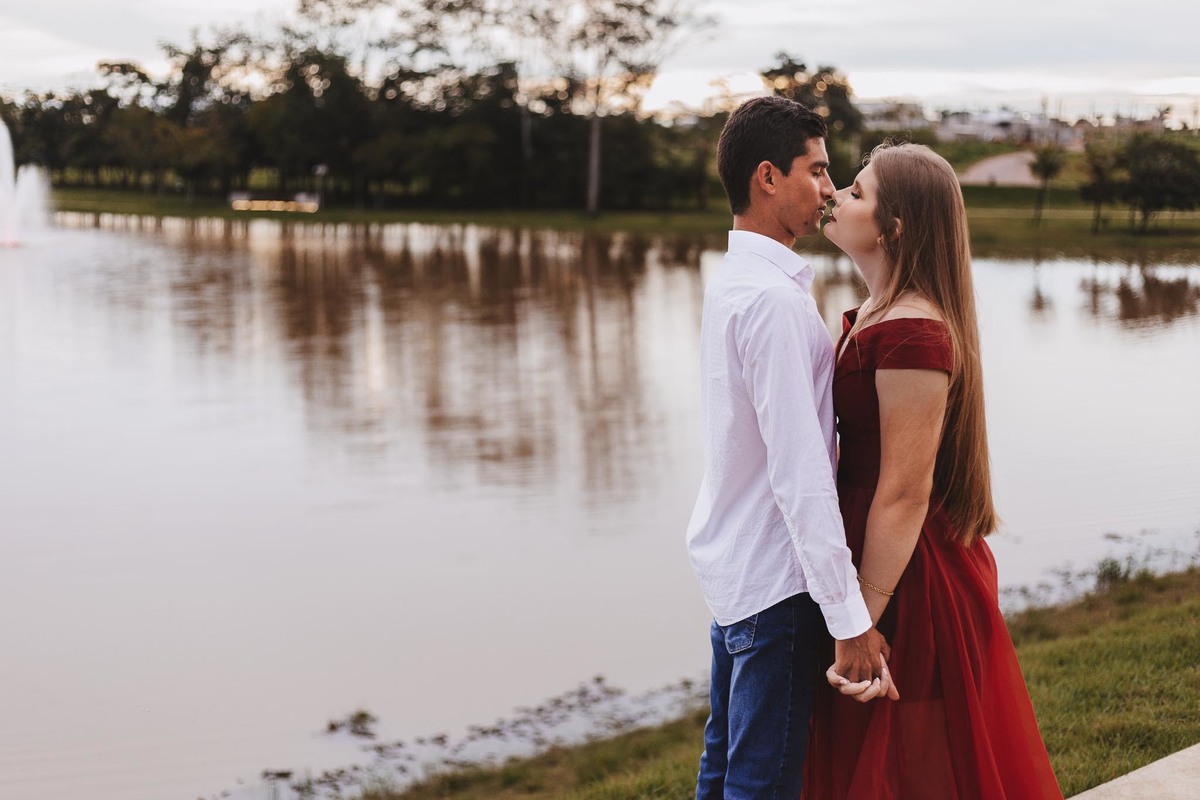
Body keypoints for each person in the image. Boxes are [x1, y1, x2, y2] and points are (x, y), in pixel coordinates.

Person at [803, 142, 1063, 799]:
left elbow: (904, 493)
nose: (836, 196)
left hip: (910, 573)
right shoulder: (876, 314)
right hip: (875, 551)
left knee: (914, 764)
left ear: (892, 229)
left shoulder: (912, 332)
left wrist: (861, 619)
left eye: (857, 192)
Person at [686, 96, 897, 800]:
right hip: (775, 584)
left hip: (737, 572)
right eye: (818, 170)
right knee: (761, 785)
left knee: (723, 771)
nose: (830, 189)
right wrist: (849, 617)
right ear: (768, 177)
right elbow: (800, 472)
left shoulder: (737, 283)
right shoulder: (773, 302)